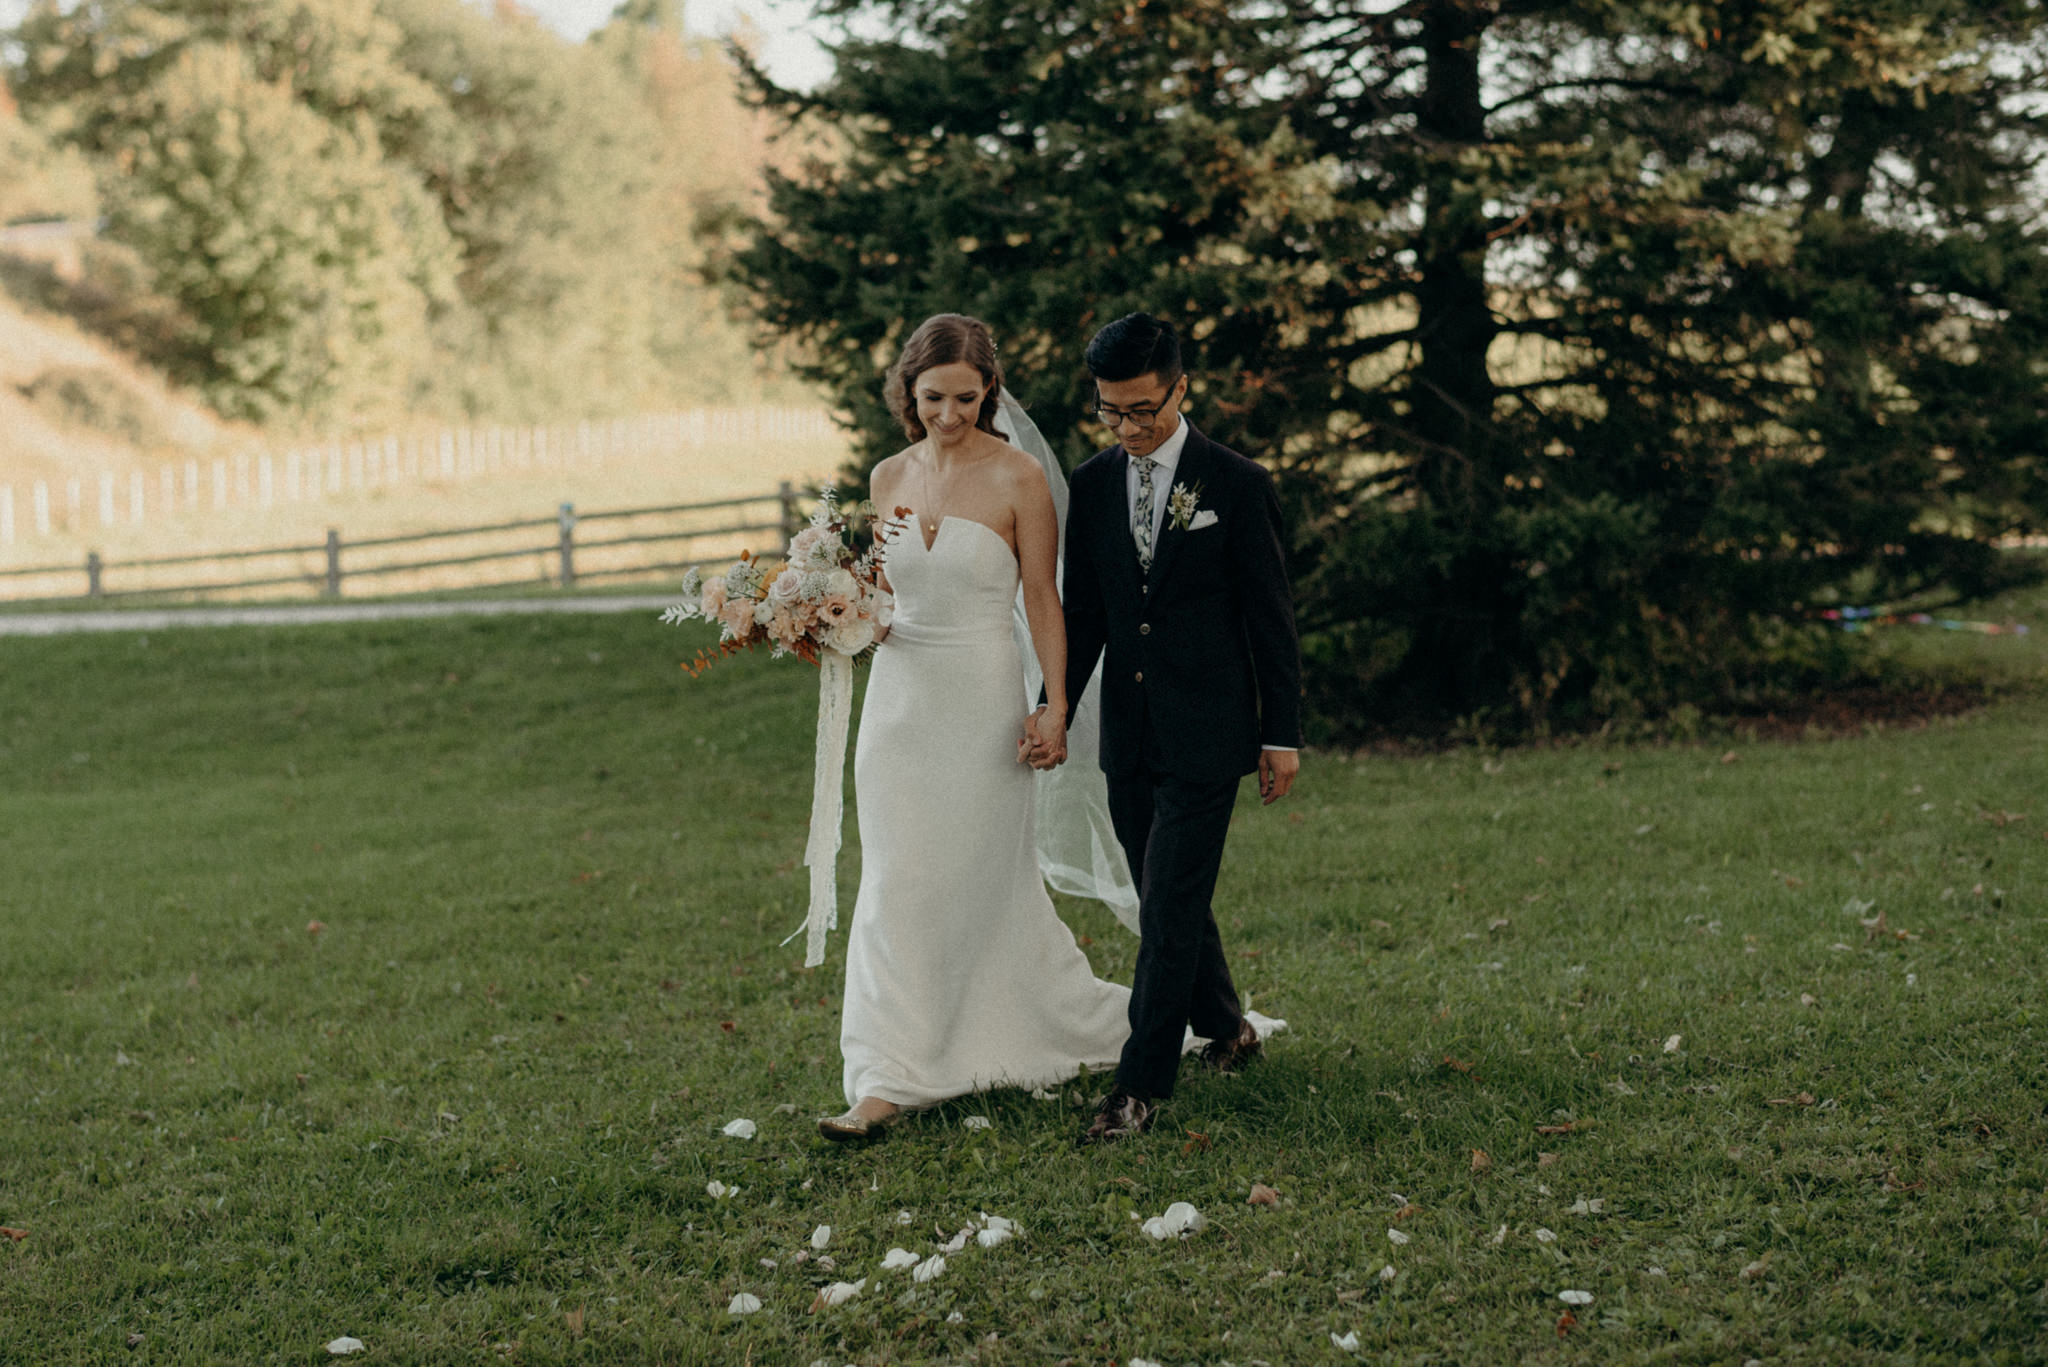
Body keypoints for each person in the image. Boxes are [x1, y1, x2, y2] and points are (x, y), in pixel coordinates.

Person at [819, 313, 1135, 1142]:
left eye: (966, 397)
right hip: (898, 711)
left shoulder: (1020, 478)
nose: (950, 414)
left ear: (989, 391)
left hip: (982, 700)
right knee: (893, 883)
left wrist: (1055, 705)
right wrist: (841, 616)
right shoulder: (888, 475)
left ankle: (1008, 1026)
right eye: (933, 398)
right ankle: (887, 1074)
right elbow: (882, 595)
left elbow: (1043, 600)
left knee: (980, 880)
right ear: (908, 392)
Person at [1036, 312, 1303, 1145]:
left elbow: (1272, 621)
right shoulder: (1090, 483)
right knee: (1167, 893)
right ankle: (1229, 1027)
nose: (1128, 428)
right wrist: (1058, 707)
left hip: (1210, 731)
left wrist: (1281, 732)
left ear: (1183, 389)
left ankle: (1138, 1087)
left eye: (1143, 410)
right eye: (1111, 411)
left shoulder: (1237, 483)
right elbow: (1086, 613)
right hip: (1129, 732)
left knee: (1169, 907)